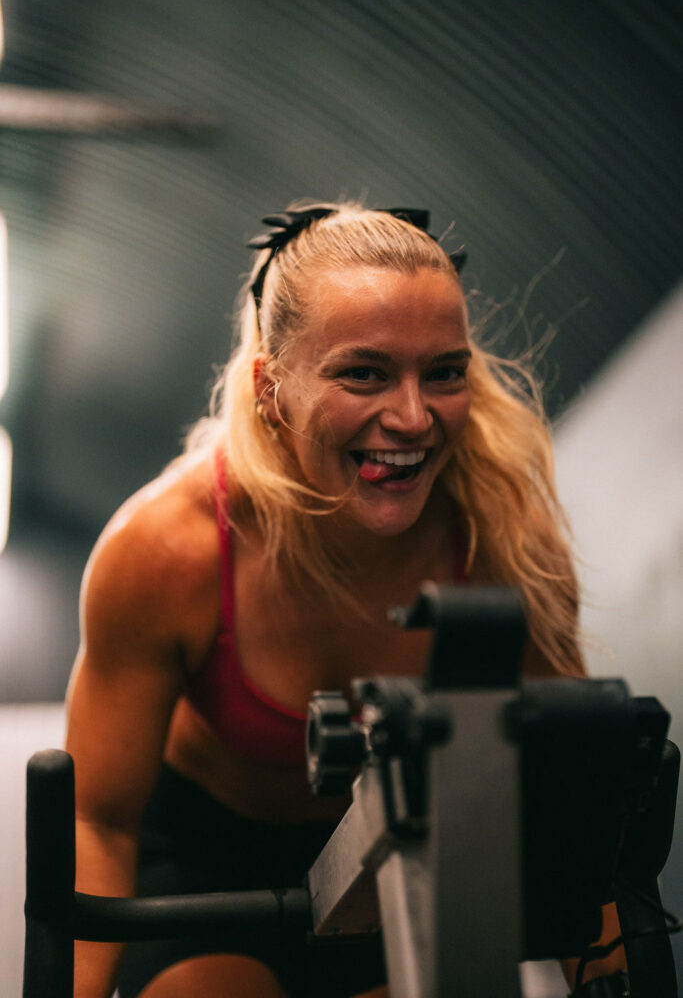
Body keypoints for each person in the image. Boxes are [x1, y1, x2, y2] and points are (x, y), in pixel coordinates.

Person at [65, 201, 624, 998]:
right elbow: (97, 821)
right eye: (363, 373)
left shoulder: (502, 539)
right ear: (269, 389)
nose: (412, 417)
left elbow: (566, 799)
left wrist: (610, 983)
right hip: (202, 860)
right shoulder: (166, 551)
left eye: (444, 373)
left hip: (401, 845)